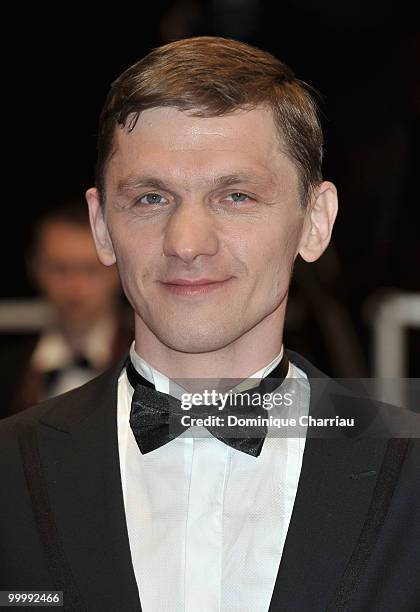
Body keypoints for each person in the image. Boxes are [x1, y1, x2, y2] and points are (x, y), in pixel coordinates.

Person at [0, 36, 418, 612]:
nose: (187, 243)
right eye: (150, 197)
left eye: (236, 195)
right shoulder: (9, 471)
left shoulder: (410, 470)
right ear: (102, 226)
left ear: (315, 221)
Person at [0, 200, 133, 417]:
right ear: (34, 268)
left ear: (117, 270)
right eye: (59, 269)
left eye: (91, 270)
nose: (74, 288)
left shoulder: (151, 365)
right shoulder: (8, 372)